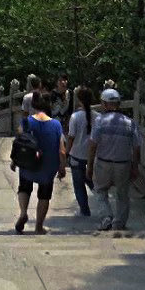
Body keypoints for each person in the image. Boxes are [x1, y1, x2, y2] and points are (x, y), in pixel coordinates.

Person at [10, 91, 66, 233]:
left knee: (24, 188)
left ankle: (23, 213)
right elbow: (62, 151)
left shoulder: (26, 121)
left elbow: (18, 143)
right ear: (49, 106)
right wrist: (62, 167)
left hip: (28, 162)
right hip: (48, 166)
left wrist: (14, 161)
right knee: (44, 195)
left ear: (34, 105)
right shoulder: (56, 125)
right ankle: (39, 227)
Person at [87, 87, 142, 230]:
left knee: (100, 191)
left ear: (105, 104)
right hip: (123, 164)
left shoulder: (99, 121)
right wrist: (135, 167)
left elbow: (93, 145)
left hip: (103, 163)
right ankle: (119, 223)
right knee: (122, 195)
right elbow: (136, 147)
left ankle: (106, 217)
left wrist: (89, 166)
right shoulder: (130, 122)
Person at [63, 85, 95, 217]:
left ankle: (85, 210)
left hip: (76, 155)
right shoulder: (97, 116)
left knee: (78, 184)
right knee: (93, 182)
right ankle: (103, 202)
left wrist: (65, 154)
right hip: (92, 156)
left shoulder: (75, 117)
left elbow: (71, 138)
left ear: (79, 99)